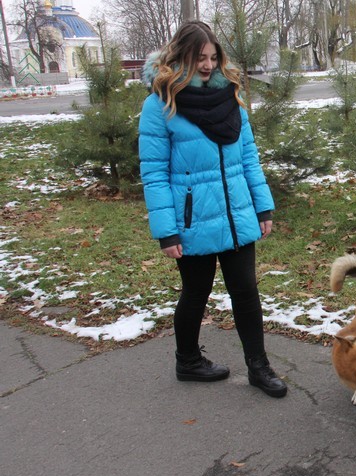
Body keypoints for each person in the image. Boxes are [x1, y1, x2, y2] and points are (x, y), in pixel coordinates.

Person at [138, 21, 287, 398]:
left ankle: (258, 366)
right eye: (199, 57)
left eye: (213, 57)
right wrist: (167, 231)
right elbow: (154, 174)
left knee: (246, 290)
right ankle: (187, 360)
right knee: (196, 291)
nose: (207, 65)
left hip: (237, 213)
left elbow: (249, 158)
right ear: (180, 57)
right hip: (191, 219)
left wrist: (262, 206)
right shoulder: (161, 103)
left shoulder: (231, 97)